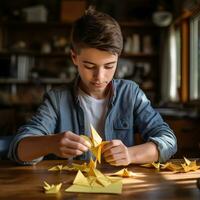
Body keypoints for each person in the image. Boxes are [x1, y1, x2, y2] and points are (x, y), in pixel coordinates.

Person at [8, 7, 177, 166]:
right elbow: (18, 148)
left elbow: (168, 140)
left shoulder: (131, 93)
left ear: (118, 58)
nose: (100, 77)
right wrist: (51, 143)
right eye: (89, 66)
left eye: (109, 66)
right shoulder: (57, 99)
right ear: (74, 57)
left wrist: (131, 154)